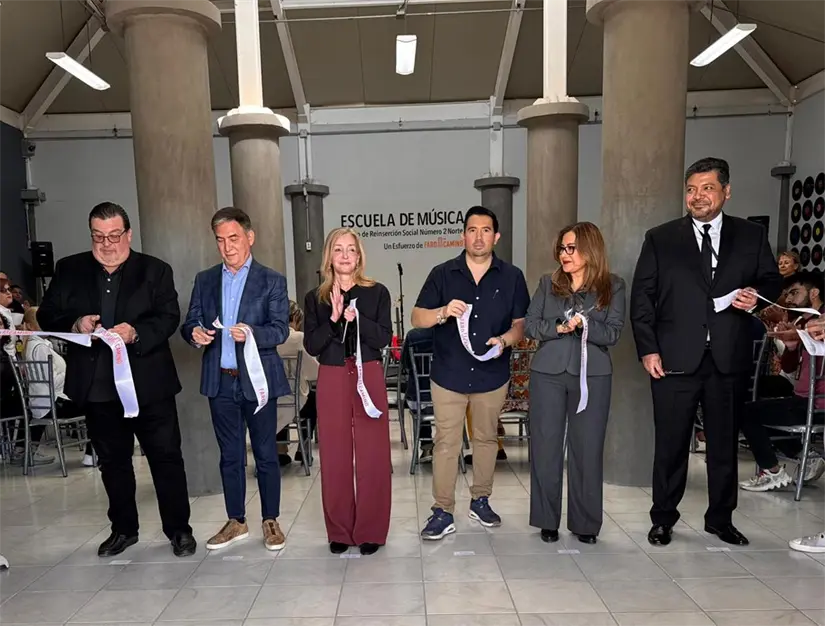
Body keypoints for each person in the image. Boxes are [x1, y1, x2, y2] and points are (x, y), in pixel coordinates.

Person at [631, 157, 782, 547]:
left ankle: (720, 519)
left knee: (723, 444)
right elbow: (642, 299)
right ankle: (663, 518)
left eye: (707, 188)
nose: (697, 196)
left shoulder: (750, 236)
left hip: (728, 357)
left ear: (726, 192)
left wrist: (756, 299)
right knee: (670, 444)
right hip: (673, 358)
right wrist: (648, 350)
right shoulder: (660, 238)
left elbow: (770, 280)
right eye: (691, 189)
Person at [38, 202, 195, 558]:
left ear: (128, 234)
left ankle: (179, 530)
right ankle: (124, 529)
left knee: (166, 458)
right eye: (98, 237)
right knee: (113, 462)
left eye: (113, 236)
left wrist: (136, 332)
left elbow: (169, 316)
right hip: (97, 386)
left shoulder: (155, 270)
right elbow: (48, 313)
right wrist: (76, 324)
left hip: (149, 385)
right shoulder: (70, 269)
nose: (106, 244)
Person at [412, 205, 530, 540]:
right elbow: (417, 317)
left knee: (486, 439)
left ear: (497, 236)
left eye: (485, 230)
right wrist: (441, 312)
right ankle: (442, 510)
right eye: (472, 230)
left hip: (491, 373)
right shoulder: (443, 273)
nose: (478, 236)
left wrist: (505, 340)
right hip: (448, 373)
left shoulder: (512, 277)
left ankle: (481, 500)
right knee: (446, 442)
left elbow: (520, 325)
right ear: (463, 234)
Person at [182, 207, 292, 553]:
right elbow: (190, 322)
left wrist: (251, 333)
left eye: (233, 238)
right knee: (229, 455)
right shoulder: (205, 280)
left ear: (250, 237)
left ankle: (270, 520)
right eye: (220, 240)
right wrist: (194, 334)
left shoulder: (271, 280)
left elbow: (280, 329)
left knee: (265, 454)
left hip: (257, 381)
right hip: (220, 380)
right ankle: (236, 521)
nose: (227, 247)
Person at [525, 222, 626, 545]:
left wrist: (585, 326)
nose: (564, 255)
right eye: (562, 248)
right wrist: (559, 327)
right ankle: (546, 520)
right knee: (545, 446)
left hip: (593, 376)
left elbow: (612, 332)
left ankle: (585, 524)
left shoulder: (613, 286)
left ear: (590, 250)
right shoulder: (547, 283)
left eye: (571, 248)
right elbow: (531, 325)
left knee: (587, 449)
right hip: (548, 374)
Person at [303, 227, 393, 555]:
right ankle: (339, 530)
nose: (344, 255)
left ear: (359, 256)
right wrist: (335, 318)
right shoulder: (316, 298)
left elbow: (383, 338)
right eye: (338, 249)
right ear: (329, 256)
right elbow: (313, 344)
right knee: (334, 453)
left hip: (367, 373)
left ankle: (371, 529)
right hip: (332, 374)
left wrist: (358, 320)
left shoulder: (377, 292)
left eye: (350, 249)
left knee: (373, 453)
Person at [739, 271, 825, 491]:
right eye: (787, 294)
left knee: (745, 411)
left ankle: (773, 470)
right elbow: (789, 368)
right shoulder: (802, 323)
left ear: (814, 293)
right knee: (755, 401)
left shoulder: (820, 322)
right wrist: (792, 345)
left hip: (816, 403)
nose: (788, 299)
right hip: (802, 398)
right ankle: (803, 454)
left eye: (795, 293)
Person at [22, 307, 96, 467]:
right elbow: (52, 381)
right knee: (95, 408)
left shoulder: (36, 345)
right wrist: (70, 373)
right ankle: (91, 454)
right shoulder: (40, 348)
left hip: (45, 402)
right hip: (53, 403)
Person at [275, 300, 319, 466]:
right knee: (313, 399)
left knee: (279, 399)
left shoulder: (265, 338)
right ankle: (304, 448)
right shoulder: (298, 338)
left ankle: (280, 450)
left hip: (269, 399)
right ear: (294, 318)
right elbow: (314, 372)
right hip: (296, 399)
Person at [0, 278, 18, 359]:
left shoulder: (5, 311)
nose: (8, 293)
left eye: (9, 289)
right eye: (3, 291)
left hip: (10, 361)